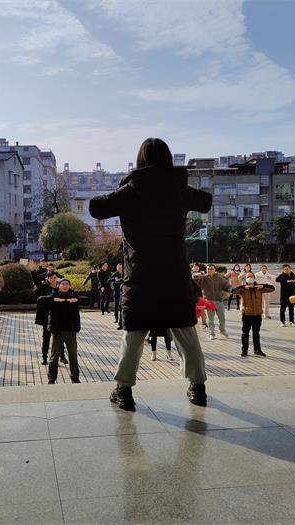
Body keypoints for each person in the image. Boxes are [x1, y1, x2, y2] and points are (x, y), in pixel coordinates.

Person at [90, 137, 212, 410]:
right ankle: (198, 387)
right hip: (175, 276)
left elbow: (95, 207)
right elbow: (206, 201)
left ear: (140, 160)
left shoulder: (130, 191)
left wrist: (123, 187)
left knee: (133, 335)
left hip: (140, 277)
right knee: (185, 331)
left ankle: (124, 391)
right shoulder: (180, 189)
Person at [38, 278, 82, 384]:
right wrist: (54, 300)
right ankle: (52, 378)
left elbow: (87, 300)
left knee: (73, 356)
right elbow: (40, 300)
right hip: (58, 331)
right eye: (63, 284)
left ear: (69, 286)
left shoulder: (73, 295)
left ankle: (75, 377)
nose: (65, 286)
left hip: (71, 331)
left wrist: (76, 300)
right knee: (54, 356)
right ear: (58, 285)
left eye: (67, 284)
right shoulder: (54, 295)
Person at [230, 272, 275, 357]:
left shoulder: (259, 288)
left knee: (256, 333)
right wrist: (243, 287)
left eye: (251, 276)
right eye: (248, 277)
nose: (250, 278)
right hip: (246, 314)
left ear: (254, 278)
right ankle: (244, 350)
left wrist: (263, 286)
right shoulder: (243, 289)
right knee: (245, 333)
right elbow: (232, 291)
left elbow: (272, 288)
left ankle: (257, 350)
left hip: (257, 314)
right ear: (246, 278)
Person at [35, 272, 67, 365]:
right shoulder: (45, 287)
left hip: (59, 317)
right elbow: (37, 282)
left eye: (55, 277)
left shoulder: (60, 288)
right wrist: (33, 271)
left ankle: (62, 357)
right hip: (47, 317)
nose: (53, 279)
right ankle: (44, 357)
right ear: (48, 279)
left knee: (59, 338)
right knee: (46, 338)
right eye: (51, 278)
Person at [192, 263, 231, 340]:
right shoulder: (203, 278)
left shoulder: (219, 278)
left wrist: (231, 289)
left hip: (219, 301)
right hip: (209, 301)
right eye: (208, 269)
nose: (210, 270)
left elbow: (227, 285)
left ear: (214, 270)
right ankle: (211, 333)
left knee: (222, 318)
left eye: (211, 269)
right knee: (211, 319)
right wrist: (201, 274)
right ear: (206, 270)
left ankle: (222, 330)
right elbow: (194, 277)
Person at [111, 263, 124, 329]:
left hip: (123, 293)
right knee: (116, 306)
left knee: (122, 307)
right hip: (116, 292)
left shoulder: (125, 273)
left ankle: (122, 322)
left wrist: (119, 280)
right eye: (119, 268)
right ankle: (116, 318)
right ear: (117, 268)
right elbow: (109, 280)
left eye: (121, 268)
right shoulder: (115, 274)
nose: (120, 269)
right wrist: (114, 279)